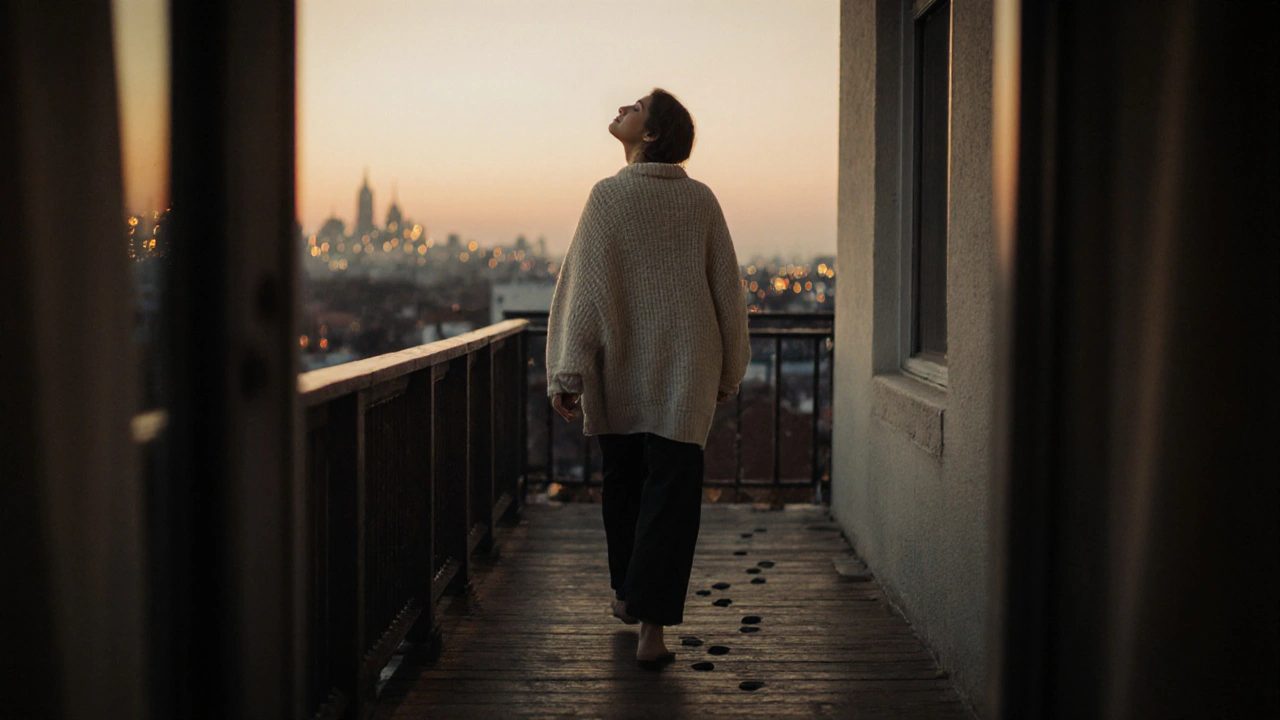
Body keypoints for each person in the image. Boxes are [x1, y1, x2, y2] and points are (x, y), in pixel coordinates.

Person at [545, 88, 751, 668]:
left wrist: (568, 371)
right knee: (671, 498)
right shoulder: (702, 200)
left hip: (622, 368)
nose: (620, 109)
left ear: (651, 134)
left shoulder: (606, 197)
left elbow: (581, 292)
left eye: (633, 107)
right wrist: (731, 368)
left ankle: (624, 595)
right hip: (688, 370)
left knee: (625, 485)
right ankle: (649, 630)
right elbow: (727, 293)